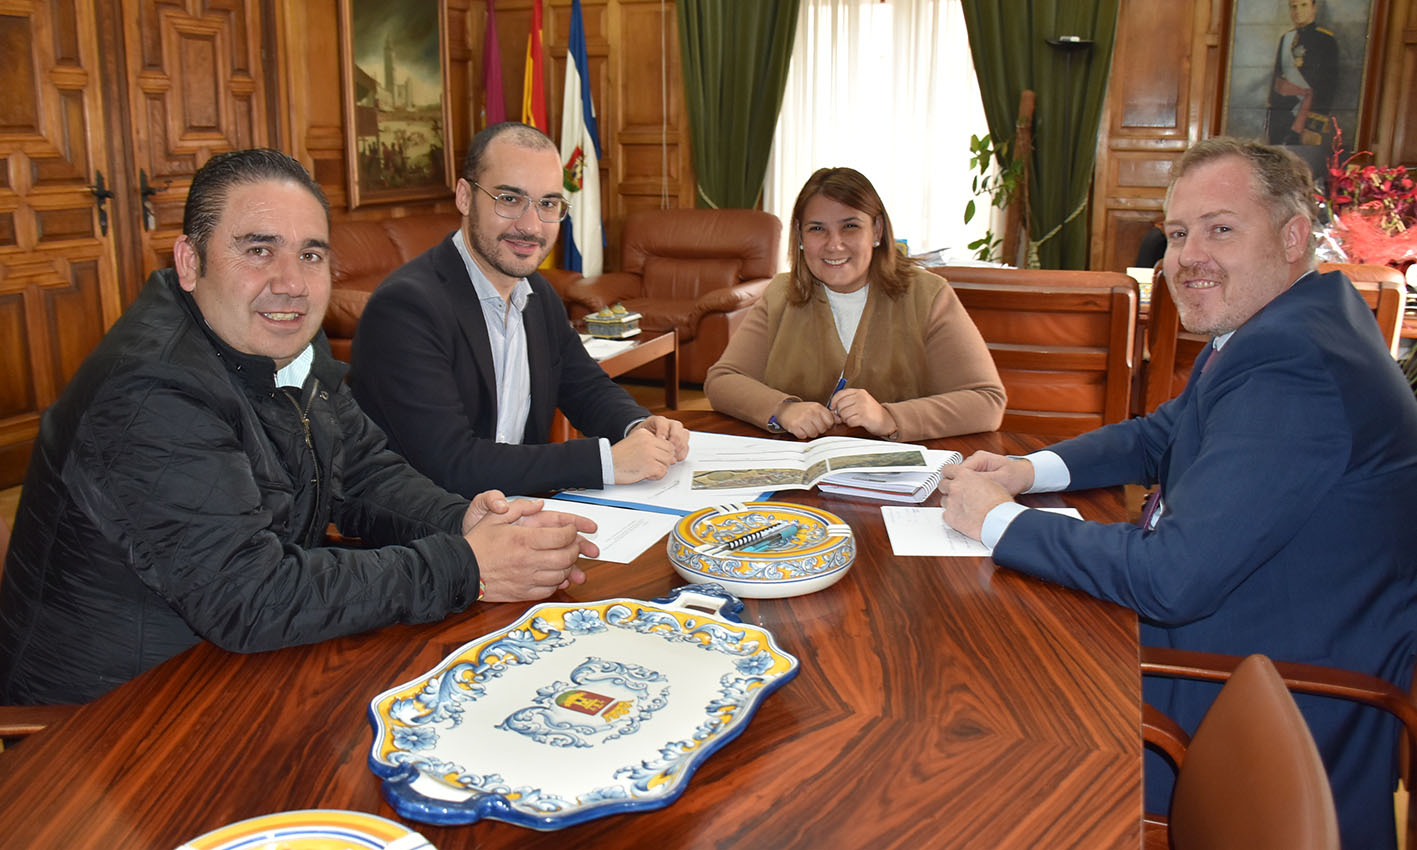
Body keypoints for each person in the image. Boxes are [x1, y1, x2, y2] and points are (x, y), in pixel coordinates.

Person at [939, 137, 1417, 849]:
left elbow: (1171, 579)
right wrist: (1025, 472)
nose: (1187, 256)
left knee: (970, 713)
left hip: (1261, 694)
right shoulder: (1295, 320)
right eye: (1178, 233)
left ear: (1291, 237)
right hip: (1252, 629)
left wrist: (998, 522)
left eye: (1220, 229)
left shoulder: (1296, 366)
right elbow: (1163, 431)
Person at [0, 149, 598, 706]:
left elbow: (361, 471)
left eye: (310, 254)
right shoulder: (151, 390)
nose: (291, 283)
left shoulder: (285, 337)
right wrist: (466, 566)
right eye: (258, 250)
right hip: (116, 716)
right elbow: (247, 595)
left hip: (243, 665)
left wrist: (466, 521)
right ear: (190, 261)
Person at [349, 122, 688, 497]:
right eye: (509, 199)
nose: (531, 226)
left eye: (547, 204)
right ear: (465, 197)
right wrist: (605, 461)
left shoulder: (537, 294)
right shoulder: (406, 309)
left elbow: (584, 386)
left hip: (522, 510)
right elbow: (448, 464)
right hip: (435, 536)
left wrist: (637, 426)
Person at [704, 167, 1006, 441]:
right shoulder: (781, 293)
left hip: (898, 480)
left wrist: (888, 417)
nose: (834, 244)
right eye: (817, 229)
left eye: (850, 226)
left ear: (876, 231)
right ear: (799, 236)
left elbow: (987, 401)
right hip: (798, 474)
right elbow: (722, 381)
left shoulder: (928, 294)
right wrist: (782, 410)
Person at [1267, 0, 1338, 147]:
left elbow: (1328, 86)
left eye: (1303, 5)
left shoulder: (1326, 40)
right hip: (1282, 117)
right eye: (1294, 7)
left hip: (1306, 118)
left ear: (1314, 8)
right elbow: (1277, 81)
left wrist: (1313, 126)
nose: (1298, 11)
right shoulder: (1286, 39)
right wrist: (1273, 120)